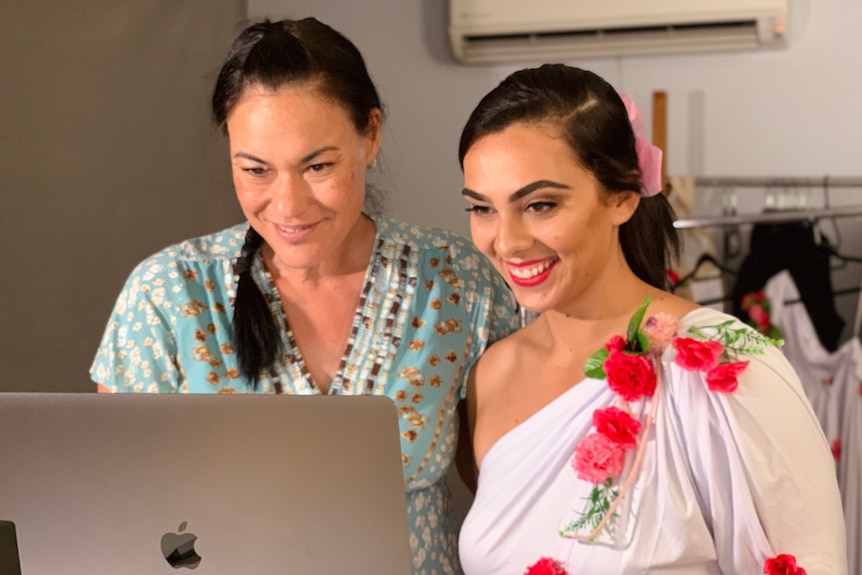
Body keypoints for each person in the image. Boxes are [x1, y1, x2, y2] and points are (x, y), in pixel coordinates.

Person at [90, 18, 519, 575]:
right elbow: (110, 514)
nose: (288, 206)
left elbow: (514, 495)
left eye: (318, 166)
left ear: (370, 135)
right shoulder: (167, 296)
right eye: (255, 170)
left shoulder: (457, 284)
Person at [455, 64, 847, 575]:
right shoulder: (490, 375)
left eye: (540, 204)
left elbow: (807, 558)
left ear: (622, 195)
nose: (505, 241)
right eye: (483, 209)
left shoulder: (721, 364)